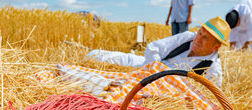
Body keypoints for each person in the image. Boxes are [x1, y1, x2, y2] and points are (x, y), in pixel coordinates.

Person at [87, 16, 230, 87]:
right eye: (200, 33)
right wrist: (156, 69)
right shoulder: (188, 38)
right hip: (148, 67)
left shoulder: (213, 70)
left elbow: (209, 95)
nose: (198, 39)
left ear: (215, 47)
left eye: (205, 38)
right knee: (103, 57)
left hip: (164, 91)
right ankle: (88, 56)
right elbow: (154, 47)